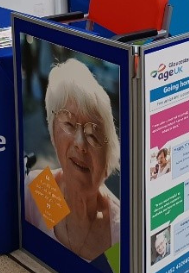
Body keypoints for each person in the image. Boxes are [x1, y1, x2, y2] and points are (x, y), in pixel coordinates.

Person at [25, 58, 121, 272]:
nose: (80, 144)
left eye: (93, 135)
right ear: (52, 132)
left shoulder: (118, 230)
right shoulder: (42, 189)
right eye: (68, 123)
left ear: (108, 159)